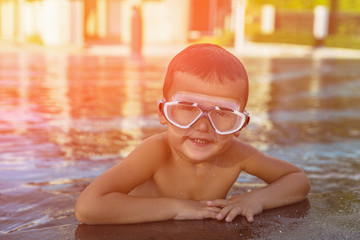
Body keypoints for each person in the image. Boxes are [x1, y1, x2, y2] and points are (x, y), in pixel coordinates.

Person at [75, 43, 311, 224]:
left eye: (222, 113)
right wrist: (176, 208)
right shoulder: (155, 152)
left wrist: (255, 199)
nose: (203, 126)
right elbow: (88, 207)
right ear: (163, 112)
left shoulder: (237, 155)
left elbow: (297, 180)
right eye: (187, 109)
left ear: (239, 125)